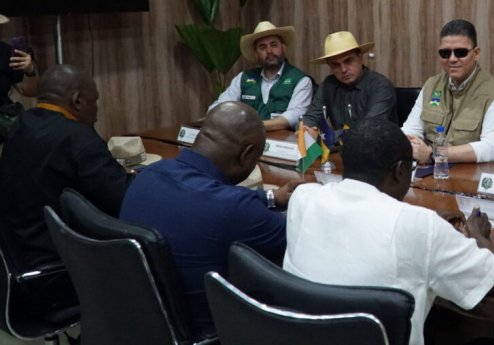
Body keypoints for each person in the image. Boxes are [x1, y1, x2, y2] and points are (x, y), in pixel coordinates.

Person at [283, 118, 494, 345]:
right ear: (399, 171)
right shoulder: (420, 227)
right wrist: (478, 234)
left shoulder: (304, 197)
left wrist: (426, 222)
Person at [120, 101, 289, 333]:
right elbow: (301, 244)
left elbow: (207, 196)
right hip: (218, 331)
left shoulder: (146, 177)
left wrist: (270, 197)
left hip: (140, 327)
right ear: (248, 154)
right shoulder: (235, 210)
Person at [0, 64, 132, 269]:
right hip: (61, 262)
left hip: (19, 253)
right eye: (94, 101)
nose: (96, 111)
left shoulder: (22, 123)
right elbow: (123, 200)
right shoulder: (77, 137)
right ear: (77, 100)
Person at [401, 19, 494, 163]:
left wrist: (434, 154)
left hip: (471, 176)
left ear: (476, 53)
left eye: (460, 52)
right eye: (445, 53)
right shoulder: (431, 85)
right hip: (429, 172)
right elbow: (409, 132)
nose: (452, 59)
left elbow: (492, 149)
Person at [209, 20, 313, 131]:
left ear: (283, 47)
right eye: (262, 47)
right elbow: (218, 107)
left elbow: (294, 116)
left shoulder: (301, 80)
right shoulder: (243, 78)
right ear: (256, 54)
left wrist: (251, 126)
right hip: (245, 141)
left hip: (282, 144)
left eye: (274, 45)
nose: (269, 51)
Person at [301, 31, 396, 135]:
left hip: (378, 148)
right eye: (335, 65)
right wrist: (305, 130)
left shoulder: (381, 86)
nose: (343, 70)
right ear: (329, 66)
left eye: (348, 61)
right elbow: (311, 117)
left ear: (360, 57)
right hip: (341, 148)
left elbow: (368, 129)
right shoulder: (328, 84)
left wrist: (327, 137)